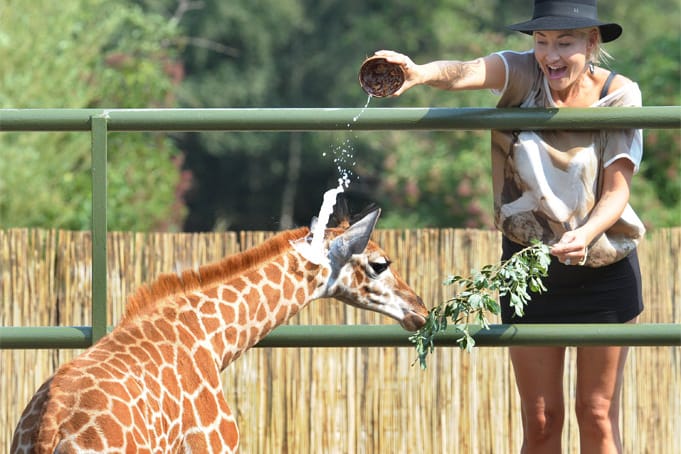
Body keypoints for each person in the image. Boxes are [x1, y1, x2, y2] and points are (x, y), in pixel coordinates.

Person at [374, 0, 645, 452]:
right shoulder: (522, 73)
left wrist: (587, 233)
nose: (551, 55)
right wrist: (418, 73)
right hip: (527, 272)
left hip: (603, 267)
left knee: (595, 414)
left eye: (565, 42)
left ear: (591, 41)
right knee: (541, 420)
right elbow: (465, 71)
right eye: (542, 41)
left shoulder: (620, 93)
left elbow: (617, 191)